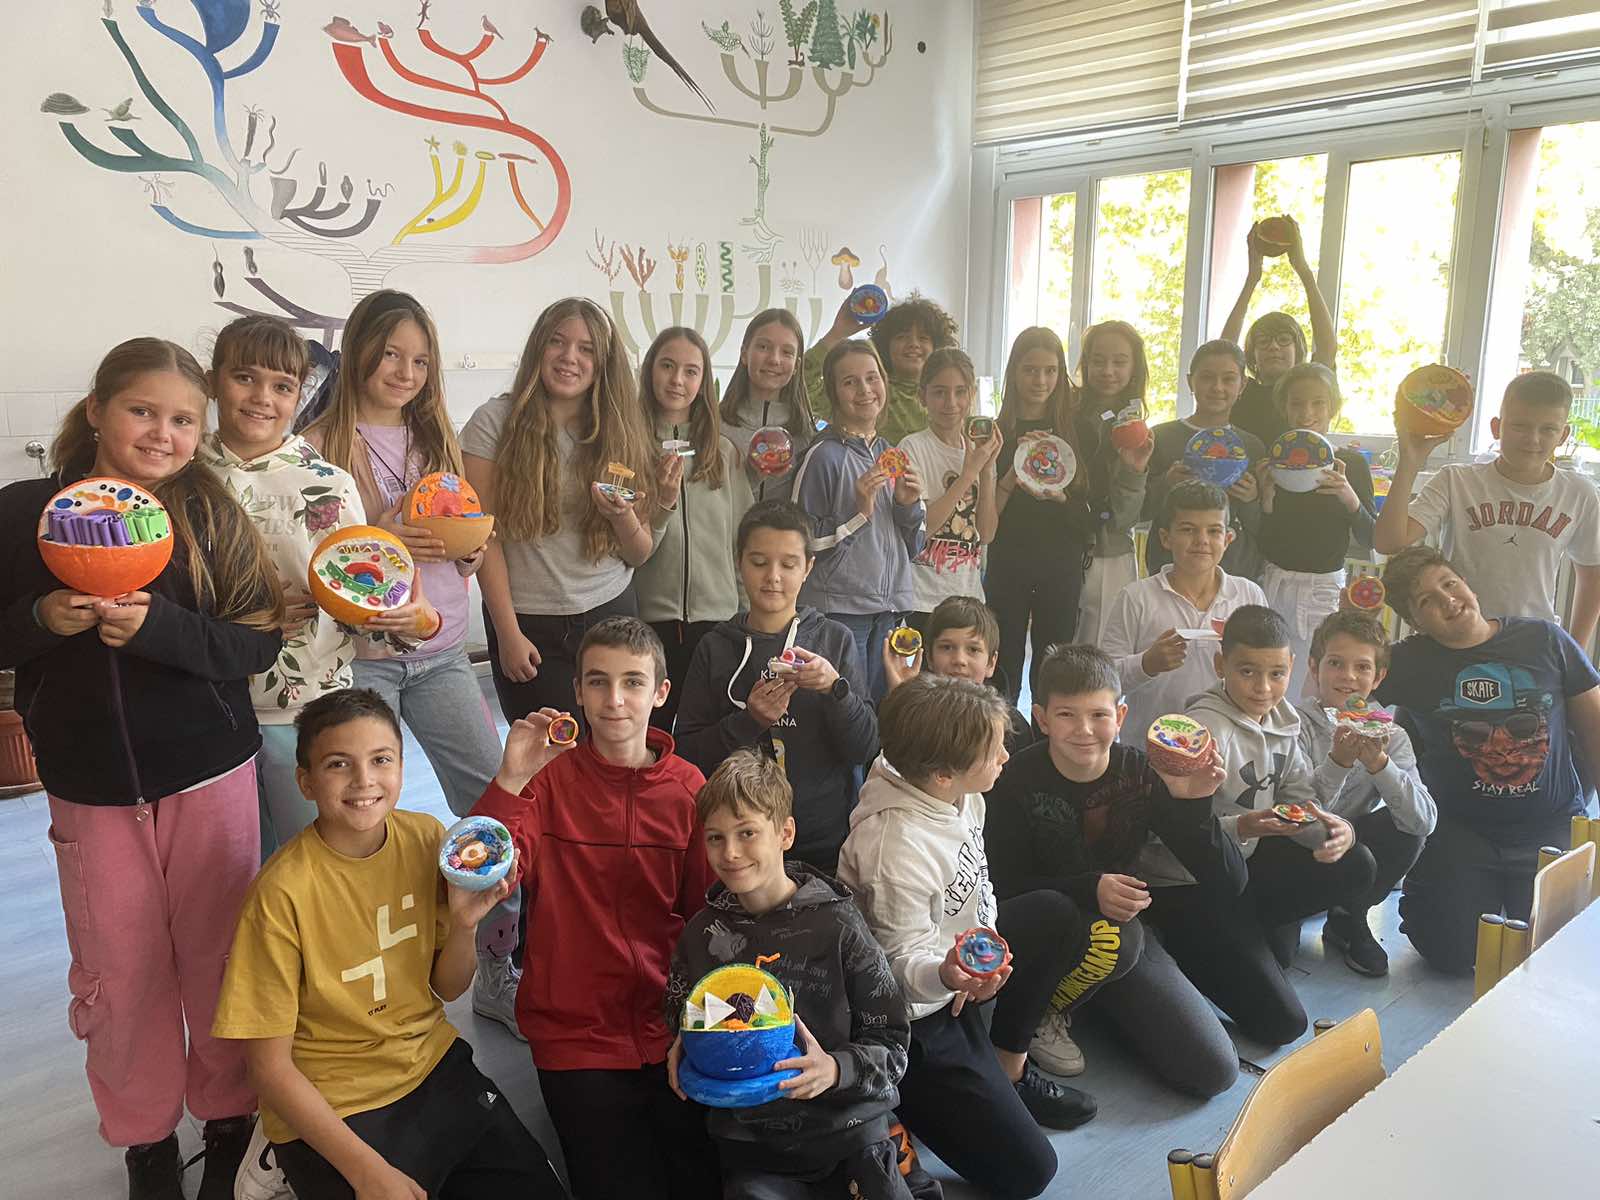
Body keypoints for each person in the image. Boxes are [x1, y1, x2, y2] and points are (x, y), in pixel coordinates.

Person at [0, 338, 284, 1198]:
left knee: (220, 956)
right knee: (118, 972)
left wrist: (160, 630)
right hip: (90, 788)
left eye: (184, 420)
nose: (163, 434)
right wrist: (42, 617)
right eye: (142, 411)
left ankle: (229, 1116)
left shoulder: (209, 514)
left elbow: (257, 641)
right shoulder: (24, 513)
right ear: (96, 410)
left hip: (209, 777)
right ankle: (145, 1138)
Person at [212, 690, 568, 1200]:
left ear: (402, 766)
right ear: (305, 781)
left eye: (381, 759)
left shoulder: (424, 839)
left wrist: (464, 926)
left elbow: (448, 988)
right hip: (334, 1100)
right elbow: (268, 1068)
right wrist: (367, 1172)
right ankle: (278, 1157)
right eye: (339, 764)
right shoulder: (279, 895)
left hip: (431, 1066)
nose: (364, 780)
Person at [301, 290, 515, 1035]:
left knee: (495, 804)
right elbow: (314, 560)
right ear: (358, 351)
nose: (405, 372)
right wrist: (381, 532)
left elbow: (467, 539)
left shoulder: (435, 441)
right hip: (360, 662)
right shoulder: (319, 445)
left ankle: (498, 965)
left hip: (444, 651)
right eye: (391, 354)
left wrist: (473, 548)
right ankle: (367, 989)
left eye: (420, 360)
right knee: (361, 821)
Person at [469, 617, 720, 1199]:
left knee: (699, 1178)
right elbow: (483, 873)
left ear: (660, 692)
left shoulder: (689, 788)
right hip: (574, 1035)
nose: (615, 700)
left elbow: (706, 915)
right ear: (577, 692)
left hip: (669, 1026)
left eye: (632, 682)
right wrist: (510, 779)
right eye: (598, 682)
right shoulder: (546, 782)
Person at [840, 675, 1099, 1200]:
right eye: (994, 750)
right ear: (942, 774)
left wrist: (977, 956)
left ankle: (1009, 1065)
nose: (1006, 755)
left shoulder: (962, 793)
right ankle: (892, 1099)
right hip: (912, 1015)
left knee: (1056, 915)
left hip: (958, 967)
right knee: (1030, 1172)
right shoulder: (894, 849)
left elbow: (977, 880)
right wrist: (947, 975)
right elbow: (895, 971)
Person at [202, 314, 436, 858]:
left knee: (318, 859)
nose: (262, 398)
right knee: (231, 869)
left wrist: (407, 617)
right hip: (208, 711)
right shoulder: (185, 477)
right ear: (214, 381)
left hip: (307, 706)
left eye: (282, 386)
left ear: (299, 394)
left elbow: (364, 600)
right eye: (244, 378)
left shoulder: (327, 483)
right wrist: (244, 617)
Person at [985, 645, 1242, 1099]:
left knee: (1214, 1070)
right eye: (1067, 715)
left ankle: (1096, 999)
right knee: (1118, 937)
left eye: (1099, 715)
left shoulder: (1139, 771)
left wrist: (1194, 804)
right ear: (1042, 719)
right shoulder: (1012, 780)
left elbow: (1230, 881)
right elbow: (999, 889)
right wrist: (1089, 888)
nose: (1084, 730)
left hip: (1118, 933)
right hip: (1040, 939)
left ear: (1120, 716)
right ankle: (1047, 1009)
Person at [664, 750, 915, 1199]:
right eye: (716, 837)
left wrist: (834, 1069)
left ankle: (904, 1168)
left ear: (785, 833)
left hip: (849, 1133)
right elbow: (679, 1017)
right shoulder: (701, 935)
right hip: (755, 1149)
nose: (730, 852)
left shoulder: (839, 924)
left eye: (747, 833)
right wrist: (686, 1045)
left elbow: (893, 1045)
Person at [1137, 606, 1373, 1046]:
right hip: (1187, 883)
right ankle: (1179, 940)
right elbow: (1162, 835)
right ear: (1221, 665)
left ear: (1292, 669)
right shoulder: (1199, 731)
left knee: (1356, 862)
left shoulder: (1283, 720)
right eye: (1247, 672)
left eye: (1276, 674)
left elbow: (1301, 803)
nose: (1263, 688)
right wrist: (1242, 826)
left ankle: (1248, 934)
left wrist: (1335, 827)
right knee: (1283, 1024)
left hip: (1243, 867)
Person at [1375, 547, 1600, 974]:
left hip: (1549, 825)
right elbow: (1342, 683)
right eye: (1427, 600)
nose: (1448, 600)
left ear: (1468, 584)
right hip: (1459, 832)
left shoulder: (1545, 640)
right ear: (1415, 621)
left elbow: (1595, 729)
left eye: (1449, 584)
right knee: (1452, 954)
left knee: (1554, 954)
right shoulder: (1408, 661)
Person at [462, 297, 668, 725]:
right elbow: (484, 539)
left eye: (586, 348)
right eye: (557, 341)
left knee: (615, 747)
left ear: (603, 363)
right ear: (539, 347)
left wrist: (621, 517)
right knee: (550, 754)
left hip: (612, 612)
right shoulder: (493, 422)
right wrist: (507, 633)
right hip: (531, 625)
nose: (569, 357)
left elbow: (638, 553)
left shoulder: (623, 429)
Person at [675, 500, 877, 874]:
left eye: (788, 564)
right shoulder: (715, 646)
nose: (773, 577)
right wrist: (748, 720)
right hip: (737, 849)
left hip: (822, 842)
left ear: (808, 568)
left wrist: (836, 690)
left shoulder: (834, 641)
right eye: (759, 562)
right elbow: (688, 756)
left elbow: (864, 747)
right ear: (739, 562)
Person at [1374, 370, 1600, 652]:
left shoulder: (1579, 493)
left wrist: (1574, 653)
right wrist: (1409, 461)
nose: (1532, 439)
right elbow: (1388, 542)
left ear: (1563, 435)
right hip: (1456, 637)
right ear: (1496, 427)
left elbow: (1593, 578)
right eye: (1519, 426)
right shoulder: (1456, 481)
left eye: (1548, 430)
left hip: (1533, 644)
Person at [1296, 611, 1437, 977]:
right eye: (1335, 663)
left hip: (1355, 852)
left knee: (1405, 828)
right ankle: (1292, 911)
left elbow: (1423, 821)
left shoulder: (1391, 735)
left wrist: (1379, 764)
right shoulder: (1293, 725)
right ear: (1314, 667)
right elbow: (1296, 815)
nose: (1348, 676)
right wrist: (1339, 762)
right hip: (1295, 848)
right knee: (1281, 951)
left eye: (1362, 667)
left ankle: (1348, 915)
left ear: (1378, 677)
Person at [632, 326, 754, 731]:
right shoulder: (628, 446)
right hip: (649, 620)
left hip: (717, 620)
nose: (677, 380)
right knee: (651, 734)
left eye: (690, 371)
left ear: (704, 381)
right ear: (650, 370)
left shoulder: (723, 452)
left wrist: (746, 612)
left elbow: (742, 540)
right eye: (667, 366)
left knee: (709, 735)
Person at [792, 339, 926, 700]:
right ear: (834, 394)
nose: (865, 390)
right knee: (843, 715)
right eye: (850, 382)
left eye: (872, 378)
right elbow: (801, 547)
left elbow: (915, 548)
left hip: (890, 612)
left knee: (886, 715)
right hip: (839, 614)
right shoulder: (822, 457)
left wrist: (908, 505)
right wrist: (858, 513)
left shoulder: (891, 454)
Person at [1101, 480, 1266, 751]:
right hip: (1148, 749)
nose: (1202, 540)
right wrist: (1147, 664)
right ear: (1166, 538)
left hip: (1228, 749)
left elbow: (1268, 669)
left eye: (1214, 531)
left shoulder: (1249, 595)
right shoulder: (1136, 597)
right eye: (1188, 529)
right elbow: (1103, 680)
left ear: (1228, 539)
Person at [988, 326, 1100, 704]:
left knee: (1054, 664)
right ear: (1014, 373)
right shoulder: (996, 434)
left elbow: (1094, 517)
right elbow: (985, 514)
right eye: (1030, 370)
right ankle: (1000, 736)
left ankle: (1047, 734)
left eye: (1050, 371)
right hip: (1008, 562)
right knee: (1002, 664)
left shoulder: (1081, 432)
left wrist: (1063, 499)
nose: (1040, 381)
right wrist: (1009, 476)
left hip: (1061, 563)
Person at [1254, 363, 1377, 696]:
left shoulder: (1351, 465)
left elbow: (1371, 537)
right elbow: (1264, 543)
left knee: (1316, 682)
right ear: (1284, 408)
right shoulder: (1273, 463)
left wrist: (1349, 497)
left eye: (1318, 403)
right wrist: (1266, 500)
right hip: (1274, 583)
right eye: (1296, 403)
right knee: (1271, 678)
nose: (1306, 413)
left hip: (1323, 589)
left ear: (1333, 407)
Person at [1141, 340, 1265, 581]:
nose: (1217, 387)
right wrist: (1166, 483)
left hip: (1236, 574)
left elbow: (1263, 526)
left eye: (1228, 379)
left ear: (1242, 385)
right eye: (1207, 377)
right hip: (1170, 571)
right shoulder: (1161, 438)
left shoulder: (1252, 446)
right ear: (1190, 381)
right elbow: (1140, 512)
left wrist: (1251, 500)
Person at [897, 347, 1001, 627]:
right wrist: (968, 474)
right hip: (922, 599)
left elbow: (987, 533)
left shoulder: (979, 449)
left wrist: (987, 471)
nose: (951, 403)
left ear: (972, 394)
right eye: (940, 392)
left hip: (968, 596)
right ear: (923, 396)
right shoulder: (912, 447)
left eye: (960, 392)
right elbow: (921, 528)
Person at [1219, 216, 1337, 447]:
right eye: (1263, 341)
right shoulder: (1242, 391)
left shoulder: (1309, 389)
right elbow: (1224, 351)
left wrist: (1304, 271)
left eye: (1283, 340)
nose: (1273, 347)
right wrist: (1252, 278)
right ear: (1252, 354)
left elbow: (1327, 347)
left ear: (1298, 349)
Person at [1075, 321, 1156, 644]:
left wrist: (1133, 470)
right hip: (1063, 546)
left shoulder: (1140, 431)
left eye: (1119, 361)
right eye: (1098, 360)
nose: (1108, 371)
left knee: (1106, 648)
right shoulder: (1065, 414)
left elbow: (1125, 518)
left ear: (1135, 367)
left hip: (1111, 551)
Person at [881, 594, 1033, 754]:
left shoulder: (1014, 728)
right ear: (930, 658)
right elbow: (893, 760)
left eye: (973, 649)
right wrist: (902, 699)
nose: (959, 660)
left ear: (991, 663)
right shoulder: (914, 713)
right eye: (947, 647)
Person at [806, 291, 960, 445]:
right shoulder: (871, 393)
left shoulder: (951, 395)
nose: (913, 344)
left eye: (923, 338)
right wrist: (836, 334)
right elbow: (801, 387)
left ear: (936, 346)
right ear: (886, 345)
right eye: (902, 337)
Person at [718, 309, 816, 502]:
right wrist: (751, 475)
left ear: (796, 366)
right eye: (763, 347)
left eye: (787, 352)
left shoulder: (807, 434)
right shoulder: (714, 425)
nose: (774, 359)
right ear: (744, 354)